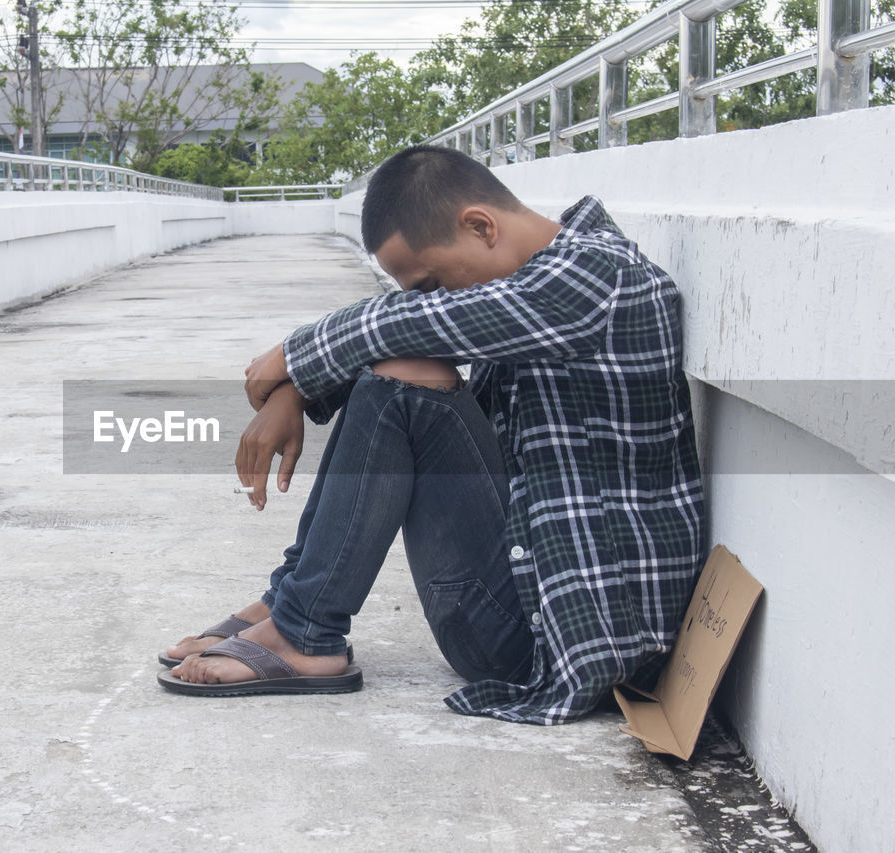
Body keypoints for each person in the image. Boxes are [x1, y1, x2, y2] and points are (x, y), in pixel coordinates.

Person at [157, 144, 705, 724]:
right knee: (399, 371)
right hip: (514, 605)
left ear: (480, 226)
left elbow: (412, 323)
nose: (431, 298)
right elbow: (410, 326)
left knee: (405, 375)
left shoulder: (597, 277)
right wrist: (295, 389)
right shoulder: (534, 284)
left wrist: (293, 359)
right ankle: (291, 604)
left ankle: (303, 629)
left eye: (433, 281)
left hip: (571, 635)